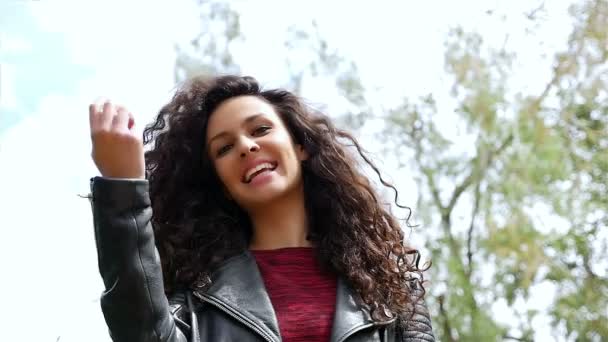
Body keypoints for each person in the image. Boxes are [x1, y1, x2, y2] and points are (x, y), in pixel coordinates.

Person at [88, 75, 434, 342]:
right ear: (218, 181)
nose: (246, 146)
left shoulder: (388, 292)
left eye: (261, 129)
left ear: (300, 146)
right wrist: (122, 187)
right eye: (223, 149)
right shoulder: (196, 302)